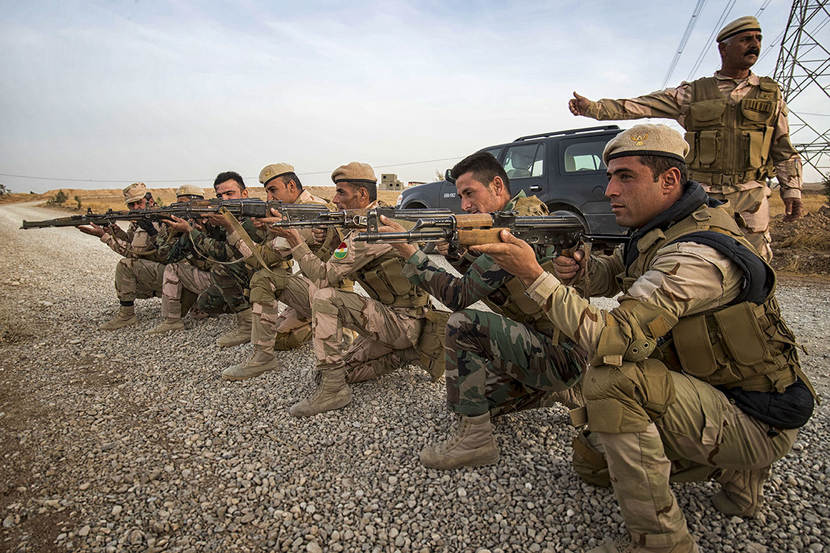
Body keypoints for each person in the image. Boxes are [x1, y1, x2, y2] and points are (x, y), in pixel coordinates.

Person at [475, 124, 815, 553]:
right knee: (591, 464)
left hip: (755, 417)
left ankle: (661, 542)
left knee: (610, 380)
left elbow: (612, 338)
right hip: (724, 393)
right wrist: (579, 268)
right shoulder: (664, 227)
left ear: (668, 180)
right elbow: (615, 273)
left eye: (626, 177)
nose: (609, 190)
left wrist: (533, 275)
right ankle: (737, 481)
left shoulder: (698, 254)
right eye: (610, 177)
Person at [378, 151, 587, 470]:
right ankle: (562, 391)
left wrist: (410, 253)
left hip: (561, 352)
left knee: (463, 325)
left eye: (469, 193)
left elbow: (459, 296)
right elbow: (488, 281)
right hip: (550, 342)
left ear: (497, 185)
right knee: (464, 398)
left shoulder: (518, 227)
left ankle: (478, 441)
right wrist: (453, 254)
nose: (464, 205)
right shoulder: (515, 215)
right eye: (461, 196)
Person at [568, 16, 804, 261]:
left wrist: (792, 190)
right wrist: (594, 109)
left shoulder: (770, 94)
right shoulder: (694, 93)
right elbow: (643, 105)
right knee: (694, 257)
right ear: (723, 49)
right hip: (703, 195)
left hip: (751, 196)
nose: (754, 45)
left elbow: (783, 149)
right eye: (745, 40)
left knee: (754, 262)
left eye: (758, 39)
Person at [269, 162, 433, 417]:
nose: (335, 200)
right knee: (333, 372)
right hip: (394, 317)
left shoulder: (372, 230)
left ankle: (334, 391)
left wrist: (295, 240)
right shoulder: (367, 221)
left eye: (341, 193)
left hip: (404, 321)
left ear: (362, 194)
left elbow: (324, 277)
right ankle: (406, 354)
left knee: (326, 298)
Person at [219, 163, 337, 380]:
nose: (269, 198)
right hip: (317, 289)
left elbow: (261, 259)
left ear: (291, 186)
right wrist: (266, 228)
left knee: (264, 278)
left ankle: (263, 358)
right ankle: (315, 324)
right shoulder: (301, 208)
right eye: (266, 191)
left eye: (273, 190)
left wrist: (231, 228)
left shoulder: (307, 214)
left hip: (331, 296)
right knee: (279, 340)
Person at [161, 171, 265, 347]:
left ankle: (248, 325)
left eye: (229, 193)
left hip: (258, 279)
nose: (224, 199)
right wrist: (203, 228)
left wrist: (191, 231)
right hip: (239, 278)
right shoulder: (223, 216)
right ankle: (172, 320)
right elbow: (169, 255)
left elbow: (226, 254)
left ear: (244, 194)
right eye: (219, 195)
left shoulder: (252, 221)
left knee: (221, 268)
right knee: (203, 303)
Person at [78, 182, 166, 330]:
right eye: (131, 204)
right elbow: (132, 241)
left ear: (150, 201)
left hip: (171, 274)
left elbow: (135, 252)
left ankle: (127, 316)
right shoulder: (140, 219)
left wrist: (105, 237)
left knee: (125, 265)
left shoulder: (154, 219)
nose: (135, 207)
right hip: (163, 270)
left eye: (139, 202)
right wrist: (115, 231)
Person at [147, 184, 212, 334]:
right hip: (197, 276)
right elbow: (164, 254)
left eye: (184, 204)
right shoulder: (175, 224)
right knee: (176, 265)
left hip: (216, 277)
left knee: (175, 268)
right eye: (178, 204)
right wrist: (172, 233)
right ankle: (177, 316)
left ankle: (174, 319)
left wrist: (194, 231)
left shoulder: (209, 221)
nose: (179, 208)